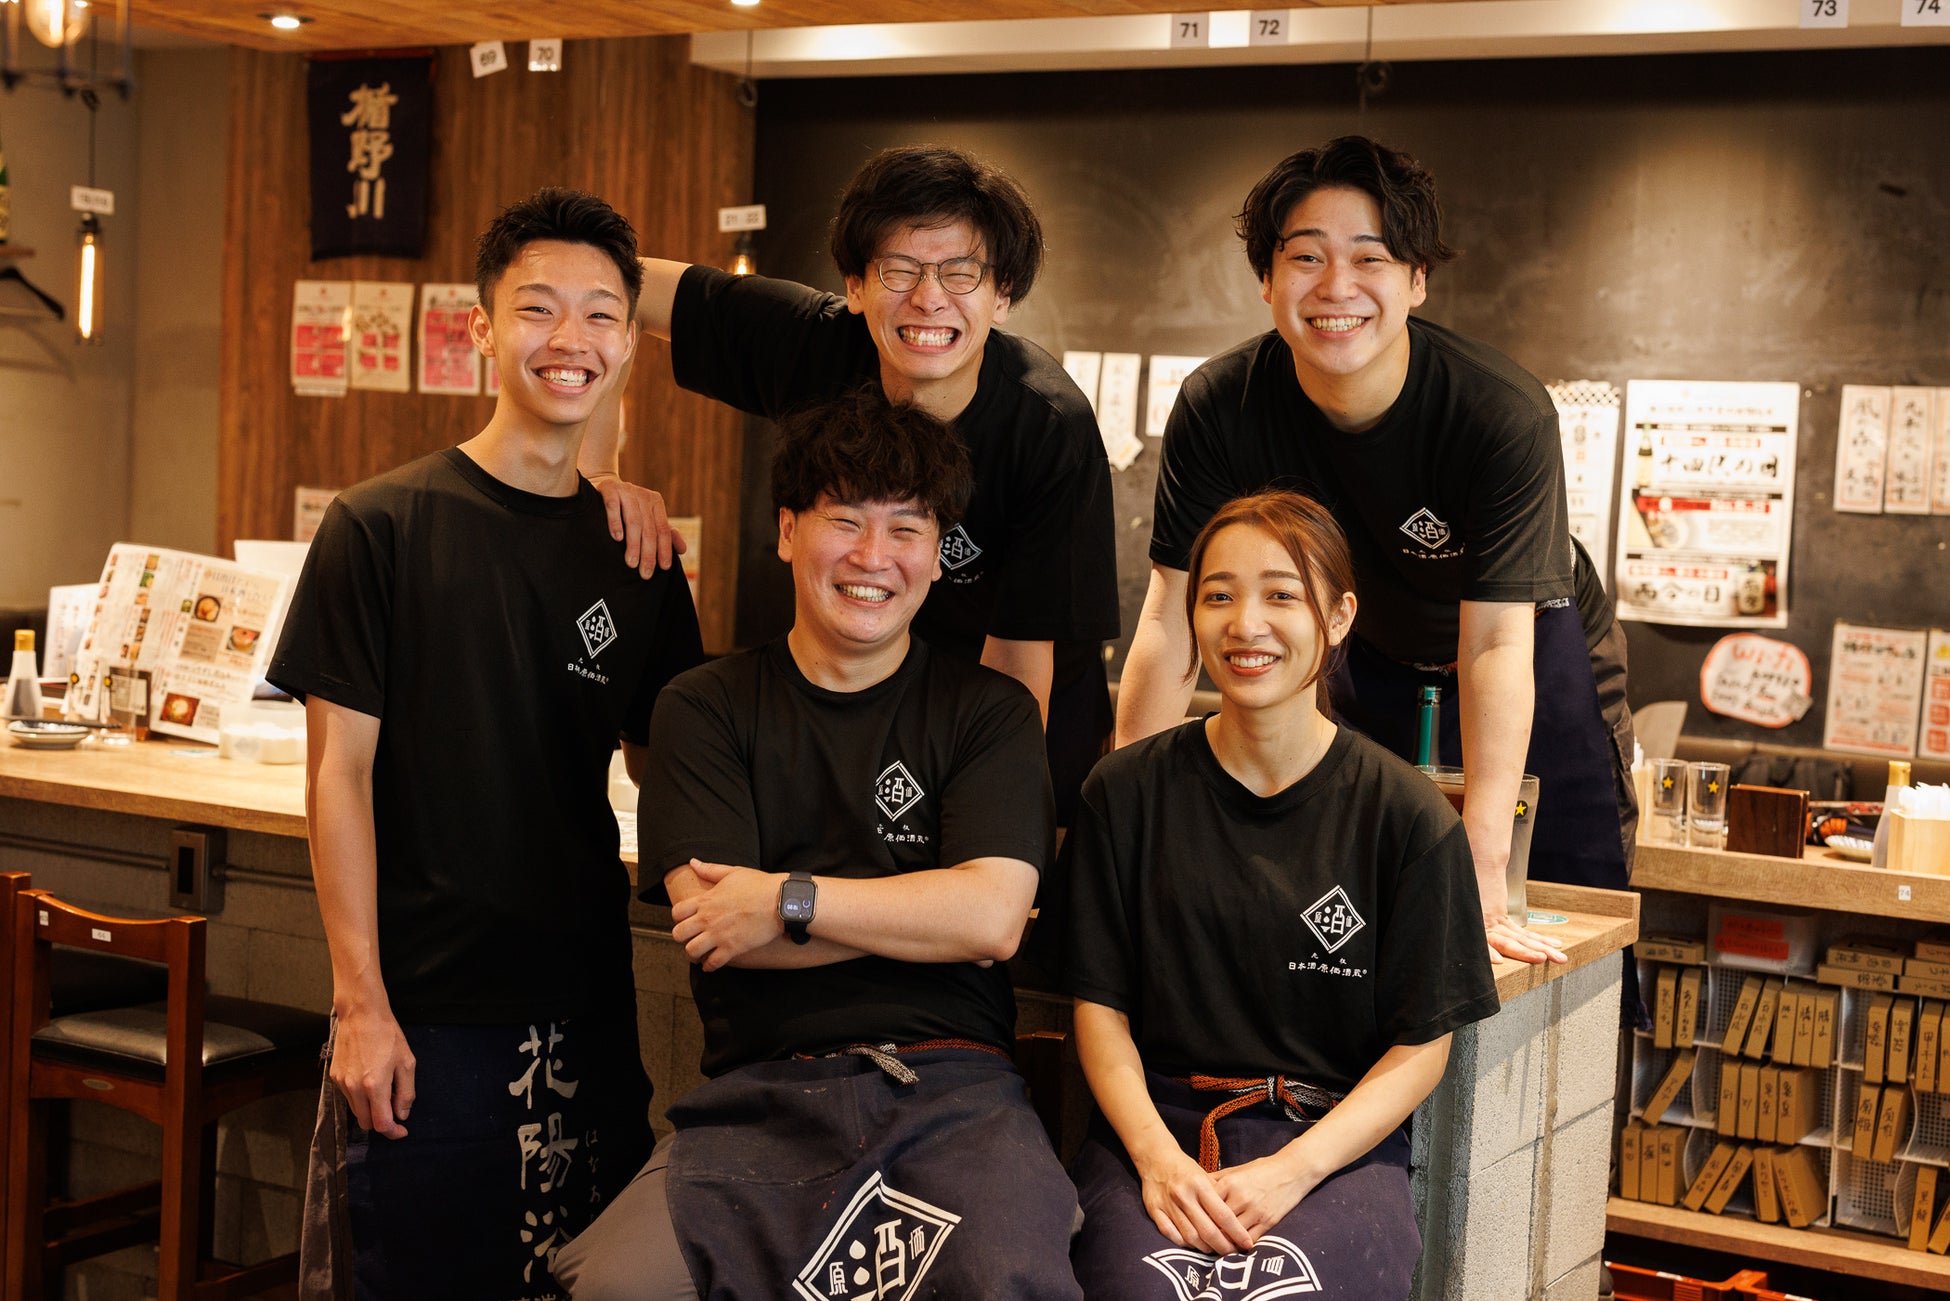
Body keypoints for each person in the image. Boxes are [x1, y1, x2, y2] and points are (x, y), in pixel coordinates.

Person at [269, 188, 704, 1299]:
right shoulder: (379, 524)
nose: (571, 339)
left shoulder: (641, 557)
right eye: (538, 308)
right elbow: (337, 775)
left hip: (585, 1003)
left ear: (629, 344)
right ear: (481, 328)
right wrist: (359, 1001)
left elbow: (668, 766)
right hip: (424, 1014)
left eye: (602, 315)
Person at [552, 389, 1081, 1301]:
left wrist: (785, 898)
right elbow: (719, 930)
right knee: (616, 1286)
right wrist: (922, 916)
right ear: (789, 530)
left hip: (955, 1092)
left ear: (938, 553)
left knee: (1004, 1278)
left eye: (906, 528)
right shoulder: (704, 708)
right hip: (758, 1098)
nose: (874, 557)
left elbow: (992, 920)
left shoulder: (989, 713)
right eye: (845, 520)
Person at [1115, 135, 1635, 966]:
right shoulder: (1221, 405)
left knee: (1553, 898)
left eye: (1370, 257)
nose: (1336, 287)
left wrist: (1484, 871)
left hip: (1530, 642)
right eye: (1306, 257)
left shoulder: (1499, 412)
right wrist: (1122, 823)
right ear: (1266, 278)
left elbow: (1495, 643)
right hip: (1369, 650)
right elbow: (1170, 617)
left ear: (1417, 279)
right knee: (1355, 897)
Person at [578, 143, 1119, 826]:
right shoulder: (814, 345)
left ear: (1002, 294)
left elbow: (1017, 671)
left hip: (1019, 712)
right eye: (899, 268)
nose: (928, 298)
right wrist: (599, 470)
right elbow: (609, 284)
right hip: (861, 689)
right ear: (856, 285)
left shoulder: (1047, 427)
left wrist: (982, 832)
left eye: (961, 272)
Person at [1059, 490, 1499, 1300]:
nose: (1245, 624)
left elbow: (1420, 1047)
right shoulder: (1122, 795)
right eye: (1218, 595)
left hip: (1331, 1147)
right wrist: (1156, 1157)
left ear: (1338, 616)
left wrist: (1294, 1169)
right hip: (1154, 1129)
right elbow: (1099, 1006)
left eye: (1281, 595)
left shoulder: (1407, 817)